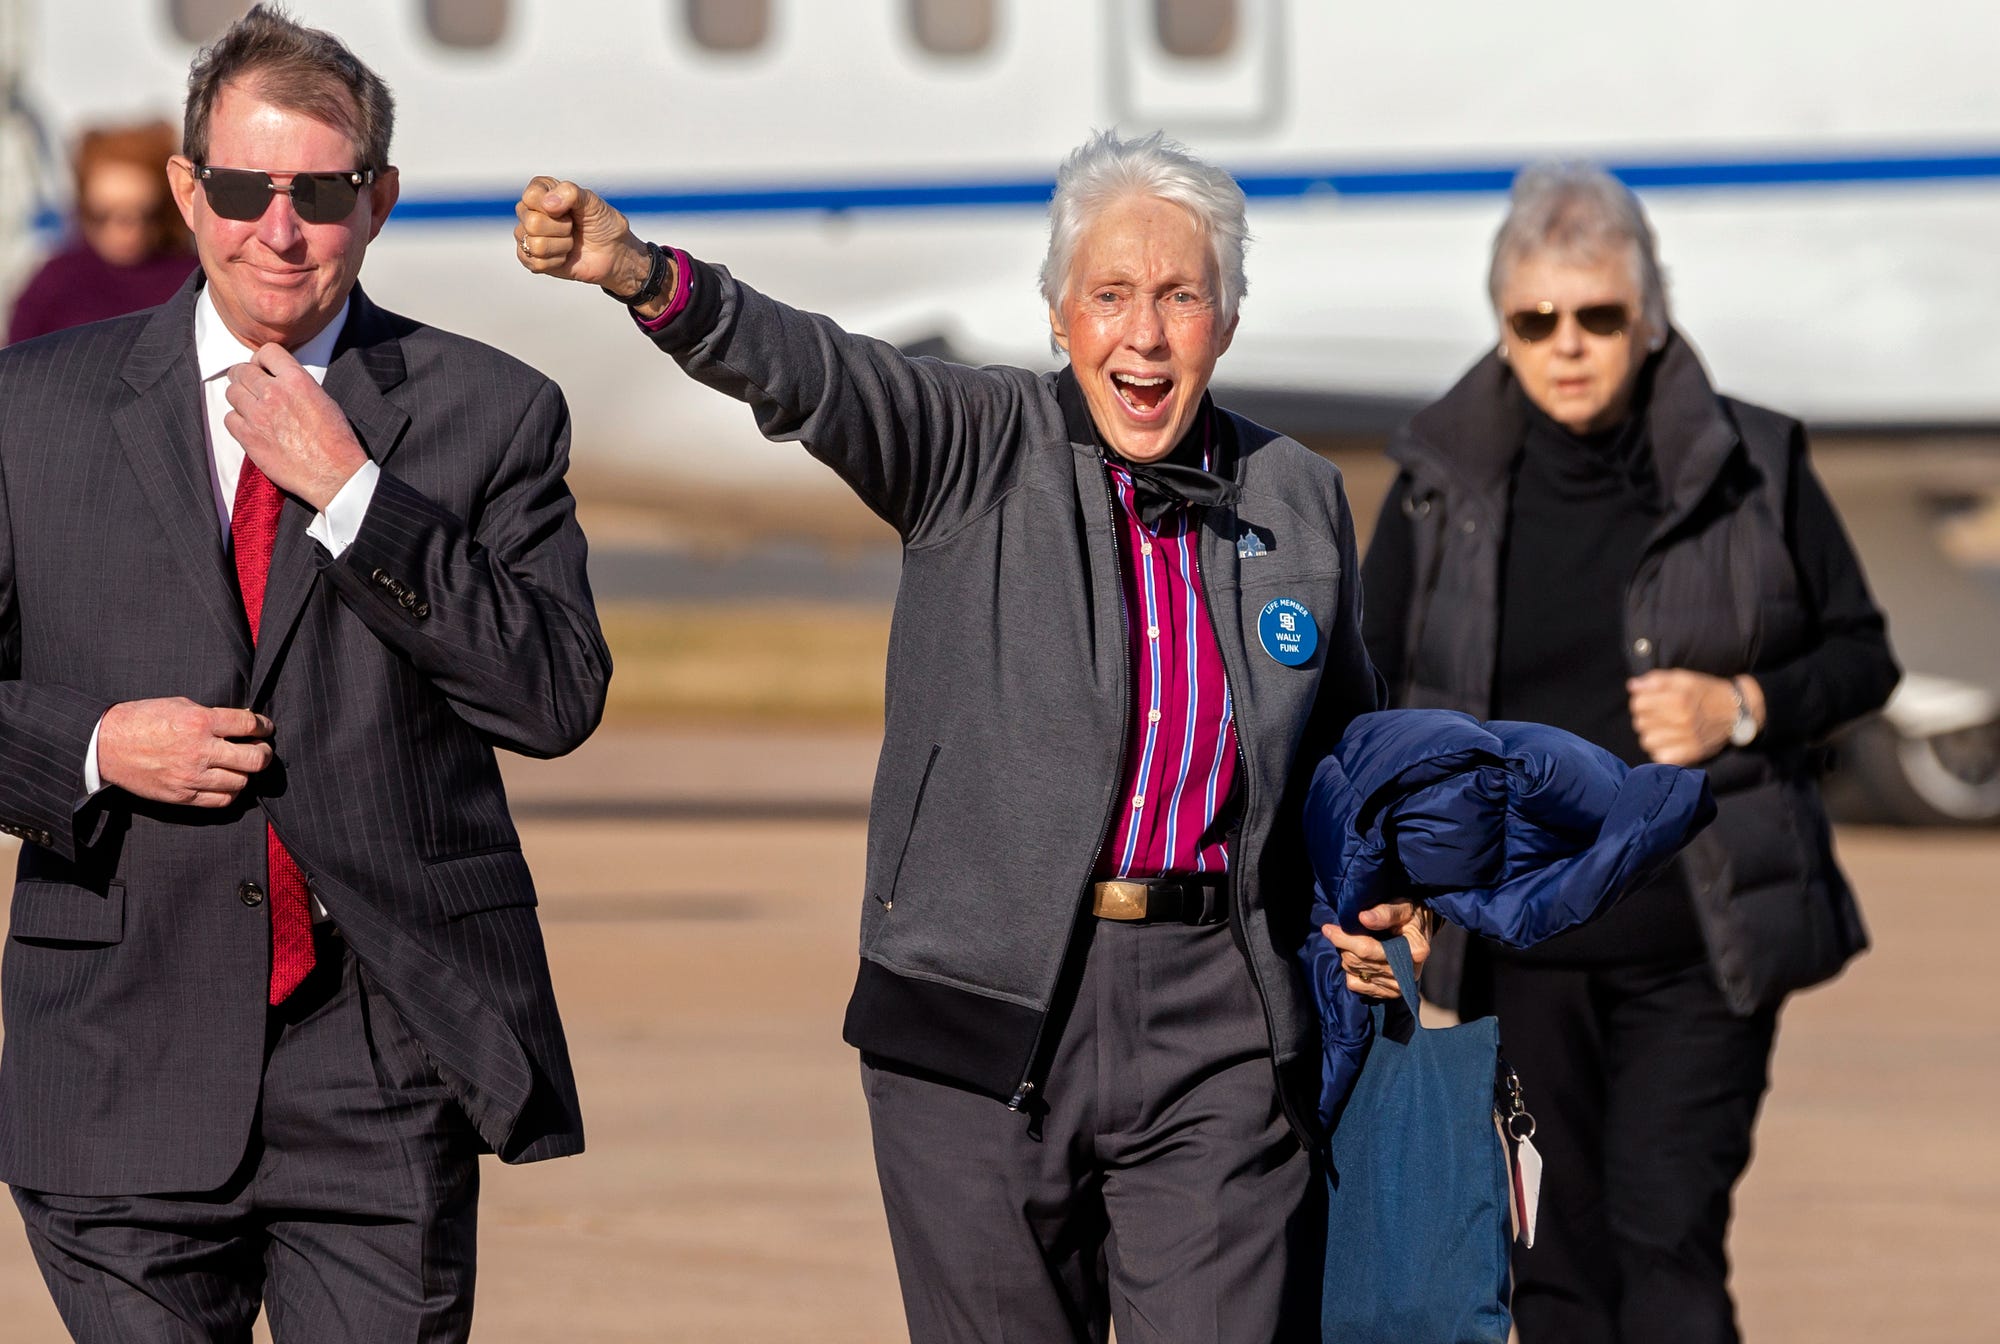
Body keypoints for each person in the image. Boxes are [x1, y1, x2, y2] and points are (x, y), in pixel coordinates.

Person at [515, 130, 1423, 1342]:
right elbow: (814, 371)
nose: (1141, 336)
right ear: (1057, 317)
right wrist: (644, 275)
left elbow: (1341, 748)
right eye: (1108, 297)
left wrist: (1380, 885)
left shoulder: (1294, 495)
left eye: (1177, 297)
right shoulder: (973, 444)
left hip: (1217, 1021)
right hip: (979, 1019)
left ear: (1226, 319)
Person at [0, 8, 608, 1340]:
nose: (279, 229)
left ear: (377, 200)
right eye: (241, 188)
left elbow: (555, 696)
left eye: (320, 193)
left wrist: (355, 494)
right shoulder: (28, 408)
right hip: (117, 1052)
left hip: (380, 1065)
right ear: (184, 192)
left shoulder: (490, 414)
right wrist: (96, 747)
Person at [1361, 162, 1899, 1344]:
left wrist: (1742, 706)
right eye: (1533, 320)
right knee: (1549, 1272)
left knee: (1664, 1247)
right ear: (1500, 324)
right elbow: (1367, 707)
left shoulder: (1752, 467)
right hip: (1521, 956)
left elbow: (1862, 657)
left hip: (1694, 952)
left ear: (1647, 314)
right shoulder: (1432, 492)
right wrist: (1388, 871)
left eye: (1597, 316)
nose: (1566, 345)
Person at [6, 120, 198, 344]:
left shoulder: (193, 278)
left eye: (143, 213)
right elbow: (15, 366)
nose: (123, 230)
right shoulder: (55, 281)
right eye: (102, 214)